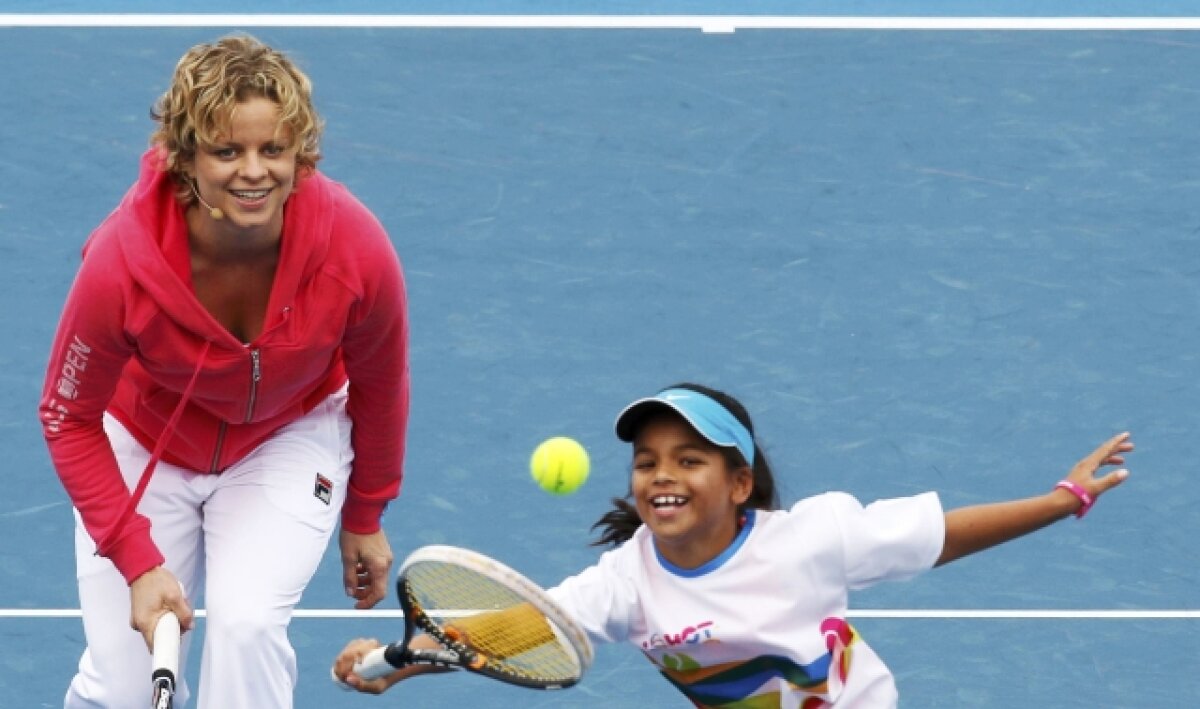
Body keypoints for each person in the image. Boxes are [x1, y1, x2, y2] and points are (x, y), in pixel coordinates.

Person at [332, 383, 1132, 707]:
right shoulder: (626, 581)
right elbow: (521, 624)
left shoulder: (813, 539)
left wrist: (1064, 499)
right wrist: (393, 665)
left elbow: (940, 536)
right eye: (647, 461)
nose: (661, 476)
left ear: (741, 482)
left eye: (689, 459)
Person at [39, 33, 409, 708]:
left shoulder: (355, 248)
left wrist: (366, 511)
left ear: (302, 154)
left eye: (273, 149)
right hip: (145, 441)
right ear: (184, 157)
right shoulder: (120, 261)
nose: (253, 171)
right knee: (126, 688)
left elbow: (381, 383)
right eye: (226, 150)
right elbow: (68, 416)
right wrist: (138, 559)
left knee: (246, 626)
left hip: (286, 435)